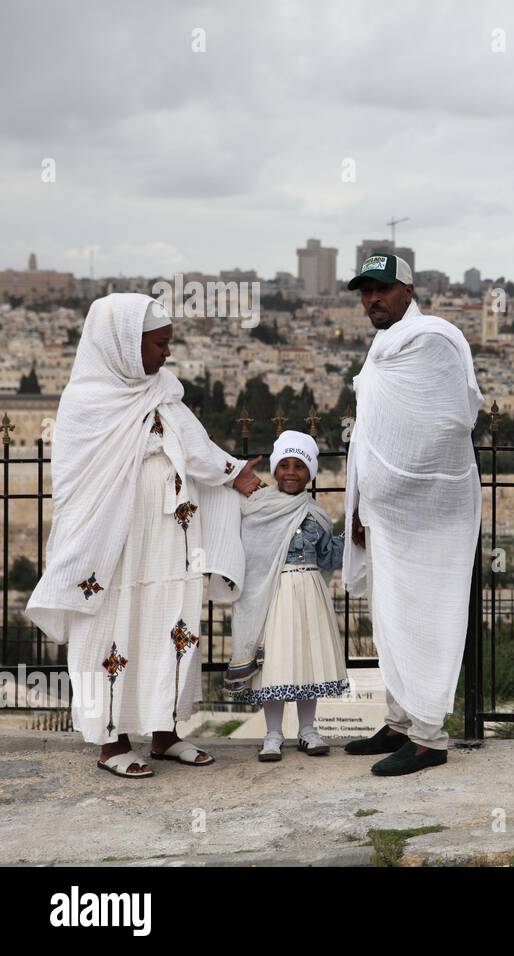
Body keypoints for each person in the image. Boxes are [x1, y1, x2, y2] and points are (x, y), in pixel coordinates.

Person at [26, 293, 259, 778]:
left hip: (169, 543)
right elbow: (79, 481)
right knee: (111, 630)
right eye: (159, 344)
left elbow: (196, 447)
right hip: (113, 550)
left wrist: (233, 471)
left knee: (170, 626)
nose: (166, 353)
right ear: (124, 345)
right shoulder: (86, 401)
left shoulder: (162, 389)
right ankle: (111, 743)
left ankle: (165, 732)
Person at [340, 254, 483, 776]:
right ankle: (400, 722)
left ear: (407, 289)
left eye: (381, 289)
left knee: (423, 618)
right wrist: (362, 503)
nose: (372, 300)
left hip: (427, 517)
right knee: (390, 619)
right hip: (383, 517)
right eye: (364, 292)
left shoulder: (433, 340)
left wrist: (394, 489)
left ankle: (428, 738)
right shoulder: (385, 346)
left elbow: (445, 425)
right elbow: (376, 433)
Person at [224, 430, 349, 762]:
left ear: (310, 473)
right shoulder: (255, 508)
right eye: (284, 465)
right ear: (275, 470)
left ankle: (308, 731)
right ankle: (273, 734)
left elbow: (329, 558)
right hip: (272, 595)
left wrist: (353, 530)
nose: (291, 472)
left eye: (299, 466)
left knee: (306, 658)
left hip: (309, 594)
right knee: (275, 663)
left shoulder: (316, 515)